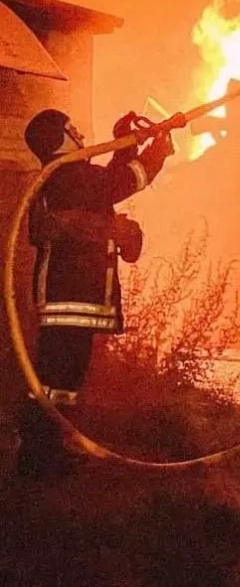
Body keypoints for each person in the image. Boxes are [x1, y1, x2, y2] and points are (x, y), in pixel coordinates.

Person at [16, 108, 173, 477]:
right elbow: (121, 182)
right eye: (73, 131)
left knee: (59, 380)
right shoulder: (68, 174)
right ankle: (39, 457)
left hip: (68, 297)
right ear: (59, 139)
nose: (82, 137)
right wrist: (157, 151)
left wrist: (125, 143)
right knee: (58, 379)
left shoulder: (66, 177)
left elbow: (106, 185)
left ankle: (44, 451)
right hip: (71, 295)